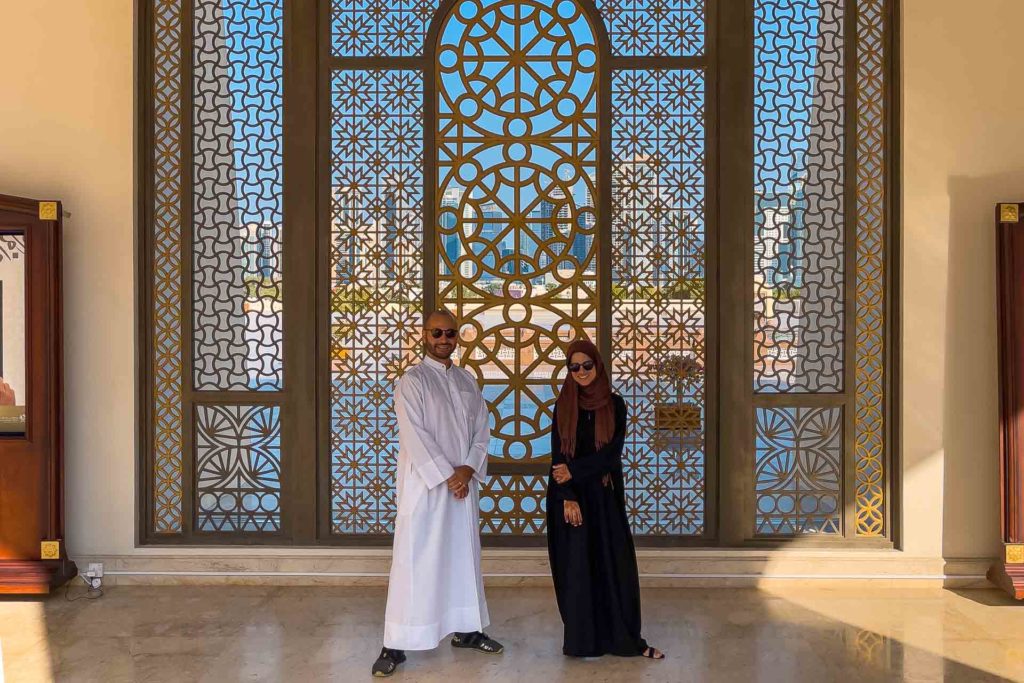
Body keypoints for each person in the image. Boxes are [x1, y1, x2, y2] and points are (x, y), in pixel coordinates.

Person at [372, 309, 504, 677]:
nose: (443, 339)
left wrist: (467, 469)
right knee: (415, 563)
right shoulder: (412, 382)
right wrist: (449, 475)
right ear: (425, 336)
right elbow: (414, 435)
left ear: (457, 337)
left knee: (463, 559)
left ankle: (468, 630)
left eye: (450, 333)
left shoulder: (465, 380)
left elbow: (482, 429)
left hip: (462, 488)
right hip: (426, 489)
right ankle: (394, 645)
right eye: (436, 333)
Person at [546, 339, 665, 660]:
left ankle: (626, 641)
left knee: (614, 567)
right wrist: (568, 496)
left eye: (587, 365)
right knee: (578, 570)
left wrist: (574, 471)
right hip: (570, 500)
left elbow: (612, 454)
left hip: (604, 496)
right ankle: (583, 642)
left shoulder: (615, 404)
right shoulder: (563, 405)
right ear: (568, 371)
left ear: (598, 366)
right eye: (574, 367)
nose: (581, 372)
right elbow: (558, 457)